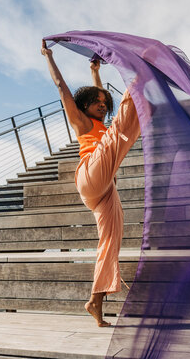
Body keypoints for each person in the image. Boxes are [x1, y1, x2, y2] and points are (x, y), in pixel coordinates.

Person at [41, 40, 140, 327]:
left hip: (104, 188)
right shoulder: (81, 123)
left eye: (104, 103)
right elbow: (61, 86)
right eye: (96, 102)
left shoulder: (102, 126)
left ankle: (95, 300)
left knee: (111, 240)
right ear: (84, 106)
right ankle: (137, 84)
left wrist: (95, 70)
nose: (101, 105)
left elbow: (104, 100)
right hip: (89, 174)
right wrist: (48, 56)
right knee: (120, 131)